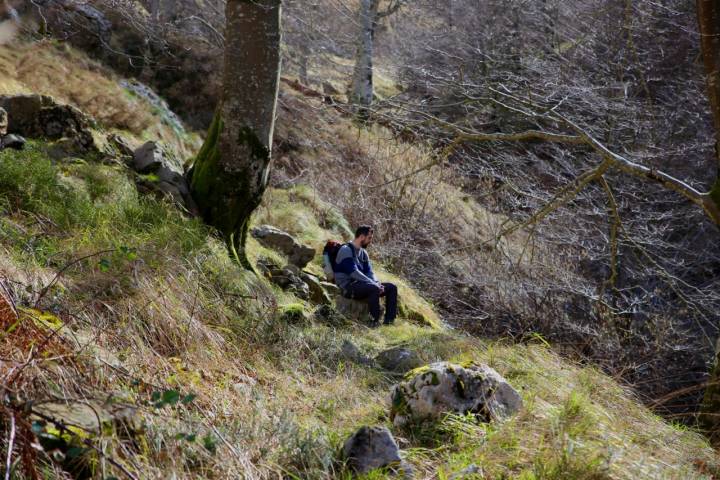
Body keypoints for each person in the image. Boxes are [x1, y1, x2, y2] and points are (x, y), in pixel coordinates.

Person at [334, 225, 398, 325]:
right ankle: (374, 321)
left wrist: (376, 282)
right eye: (369, 238)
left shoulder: (363, 253)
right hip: (347, 288)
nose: (370, 241)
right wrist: (374, 284)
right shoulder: (346, 250)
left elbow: (369, 272)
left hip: (362, 285)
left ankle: (389, 321)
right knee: (373, 288)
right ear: (362, 237)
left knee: (391, 287)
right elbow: (353, 272)